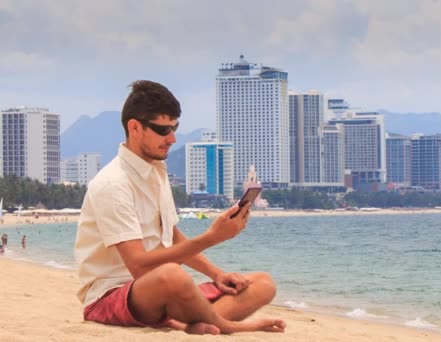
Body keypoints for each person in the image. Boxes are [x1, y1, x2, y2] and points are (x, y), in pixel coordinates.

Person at [74, 80, 285, 335]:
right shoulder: (112, 183)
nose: (172, 139)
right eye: (163, 130)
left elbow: (172, 237)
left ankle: (193, 324)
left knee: (263, 283)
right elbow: (139, 266)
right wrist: (212, 237)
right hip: (113, 296)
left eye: (175, 128)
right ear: (134, 127)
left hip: (163, 291)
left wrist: (217, 274)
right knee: (173, 276)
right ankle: (225, 325)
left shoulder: (156, 171)